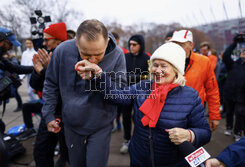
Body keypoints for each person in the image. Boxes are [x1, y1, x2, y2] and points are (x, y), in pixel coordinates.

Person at [76, 42, 211, 166]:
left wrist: (189, 134)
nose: (157, 70)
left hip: (174, 163)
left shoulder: (190, 96)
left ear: (176, 70)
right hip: (139, 160)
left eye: (163, 66)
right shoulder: (143, 87)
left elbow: (205, 132)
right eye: (155, 65)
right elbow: (117, 96)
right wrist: (99, 74)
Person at [42, 19, 127, 167]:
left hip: (101, 123)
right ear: (76, 43)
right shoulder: (62, 51)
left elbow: (120, 94)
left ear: (107, 42)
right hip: (71, 123)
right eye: (86, 54)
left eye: (99, 54)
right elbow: (51, 84)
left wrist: (98, 77)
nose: (93, 60)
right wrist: (49, 115)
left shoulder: (118, 54)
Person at [23, 22, 69, 167]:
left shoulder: (69, 56)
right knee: (41, 151)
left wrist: (47, 71)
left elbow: (65, 87)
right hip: (49, 111)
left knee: (66, 154)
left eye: (47, 39)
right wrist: (38, 72)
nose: (43, 42)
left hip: (66, 114)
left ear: (58, 39)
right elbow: (36, 85)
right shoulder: (46, 55)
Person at [169, 30, 221, 131]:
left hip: (194, 113)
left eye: (182, 45)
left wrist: (214, 116)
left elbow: (212, 90)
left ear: (191, 45)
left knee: (193, 143)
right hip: (170, 113)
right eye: (175, 44)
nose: (177, 48)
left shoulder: (203, 62)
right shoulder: (166, 61)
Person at [119, 34, 150, 154]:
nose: (131, 47)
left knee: (138, 118)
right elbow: (119, 73)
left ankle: (138, 141)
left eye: (134, 45)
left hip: (141, 94)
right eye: (130, 44)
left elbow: (149, 77)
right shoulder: (124, 57)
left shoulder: (147, 58)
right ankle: (126, 140)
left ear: (140, 45)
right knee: (125, 117)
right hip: (126, 92)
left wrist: (138, 78)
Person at [222, 34, 245, 141]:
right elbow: (225, 56)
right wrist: (235, 43)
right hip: (230, 92)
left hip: (242, 95)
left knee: (240, 114)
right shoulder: (233, 64)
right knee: (229, 111)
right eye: (243, 51)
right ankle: (229, 127)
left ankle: (237, 131)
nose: (244, 53)